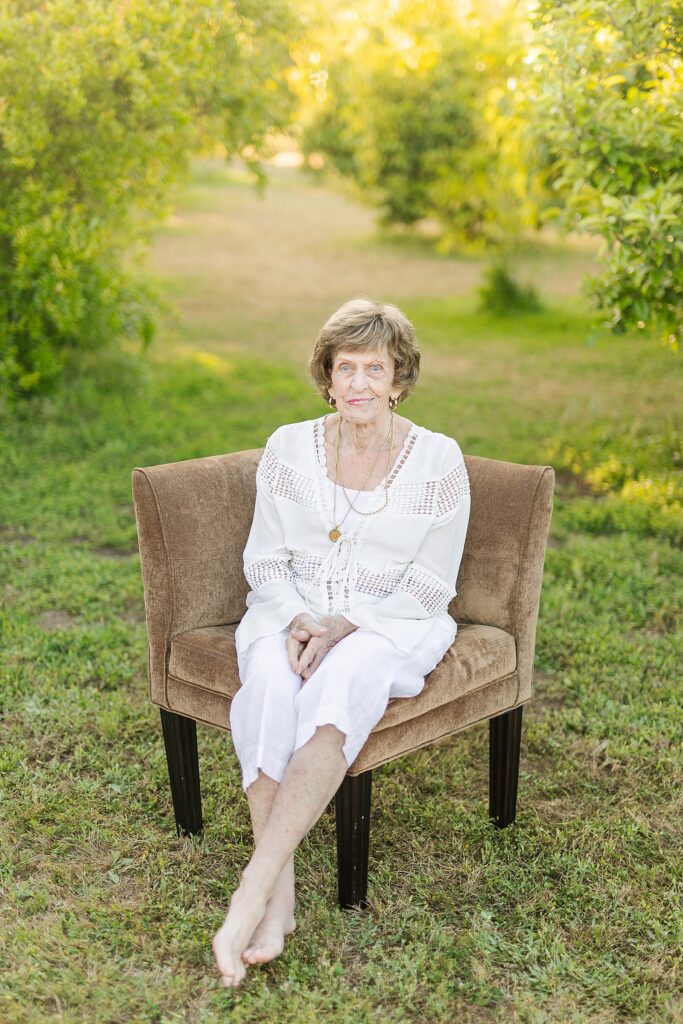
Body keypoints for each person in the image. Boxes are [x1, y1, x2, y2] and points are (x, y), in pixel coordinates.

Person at [213, 297, 471, 987]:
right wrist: (299, 618)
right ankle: (282, 898)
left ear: (398, 380)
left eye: (375, 368)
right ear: (326, 378)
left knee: (337, 684)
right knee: (267, 684)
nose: (359, 383)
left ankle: (251, 892)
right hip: (286, 611)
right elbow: (264, 560)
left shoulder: (437, 461)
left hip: (389, 623)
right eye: (344, 367)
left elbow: (428, 584)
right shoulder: (288, 446)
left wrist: (341, 627)